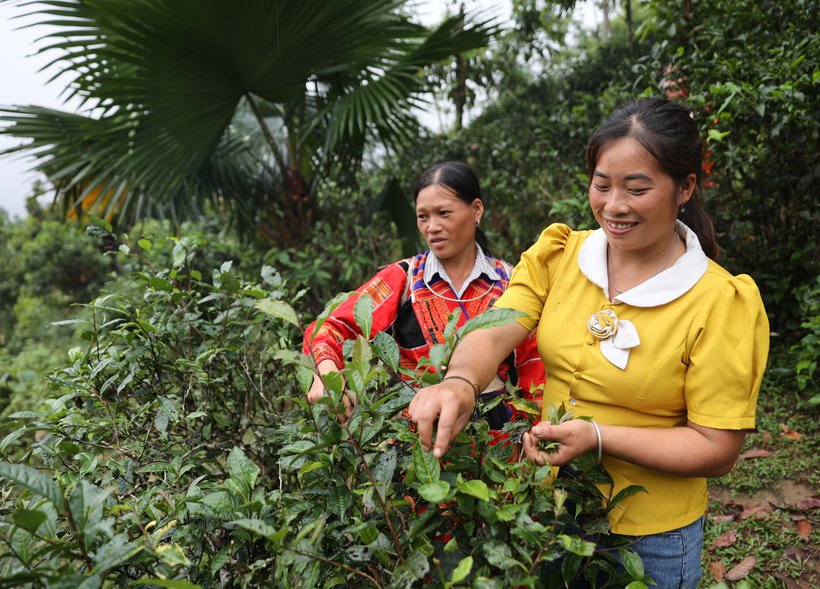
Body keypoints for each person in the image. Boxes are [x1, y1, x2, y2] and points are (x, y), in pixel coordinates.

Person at [408, 98, 769, 588]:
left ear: (684, 188)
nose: (614, 206)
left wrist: (597, 437)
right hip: (553, 506)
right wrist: (460, 381)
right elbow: (498, 325)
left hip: (652, 538)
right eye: (602, 185)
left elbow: (717, 447)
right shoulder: (562, 254)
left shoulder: (720, 301)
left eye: (637, 189)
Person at [302, 161, 545, 431]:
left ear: (476, 209)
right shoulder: (403, 279)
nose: (432, 227)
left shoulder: (512, 282)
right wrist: (326, 372)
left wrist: (534, 438)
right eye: (423, 217)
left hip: (499, 441)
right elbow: (330, 327)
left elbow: (534, 372)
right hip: (417, 437)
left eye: (444, 213)